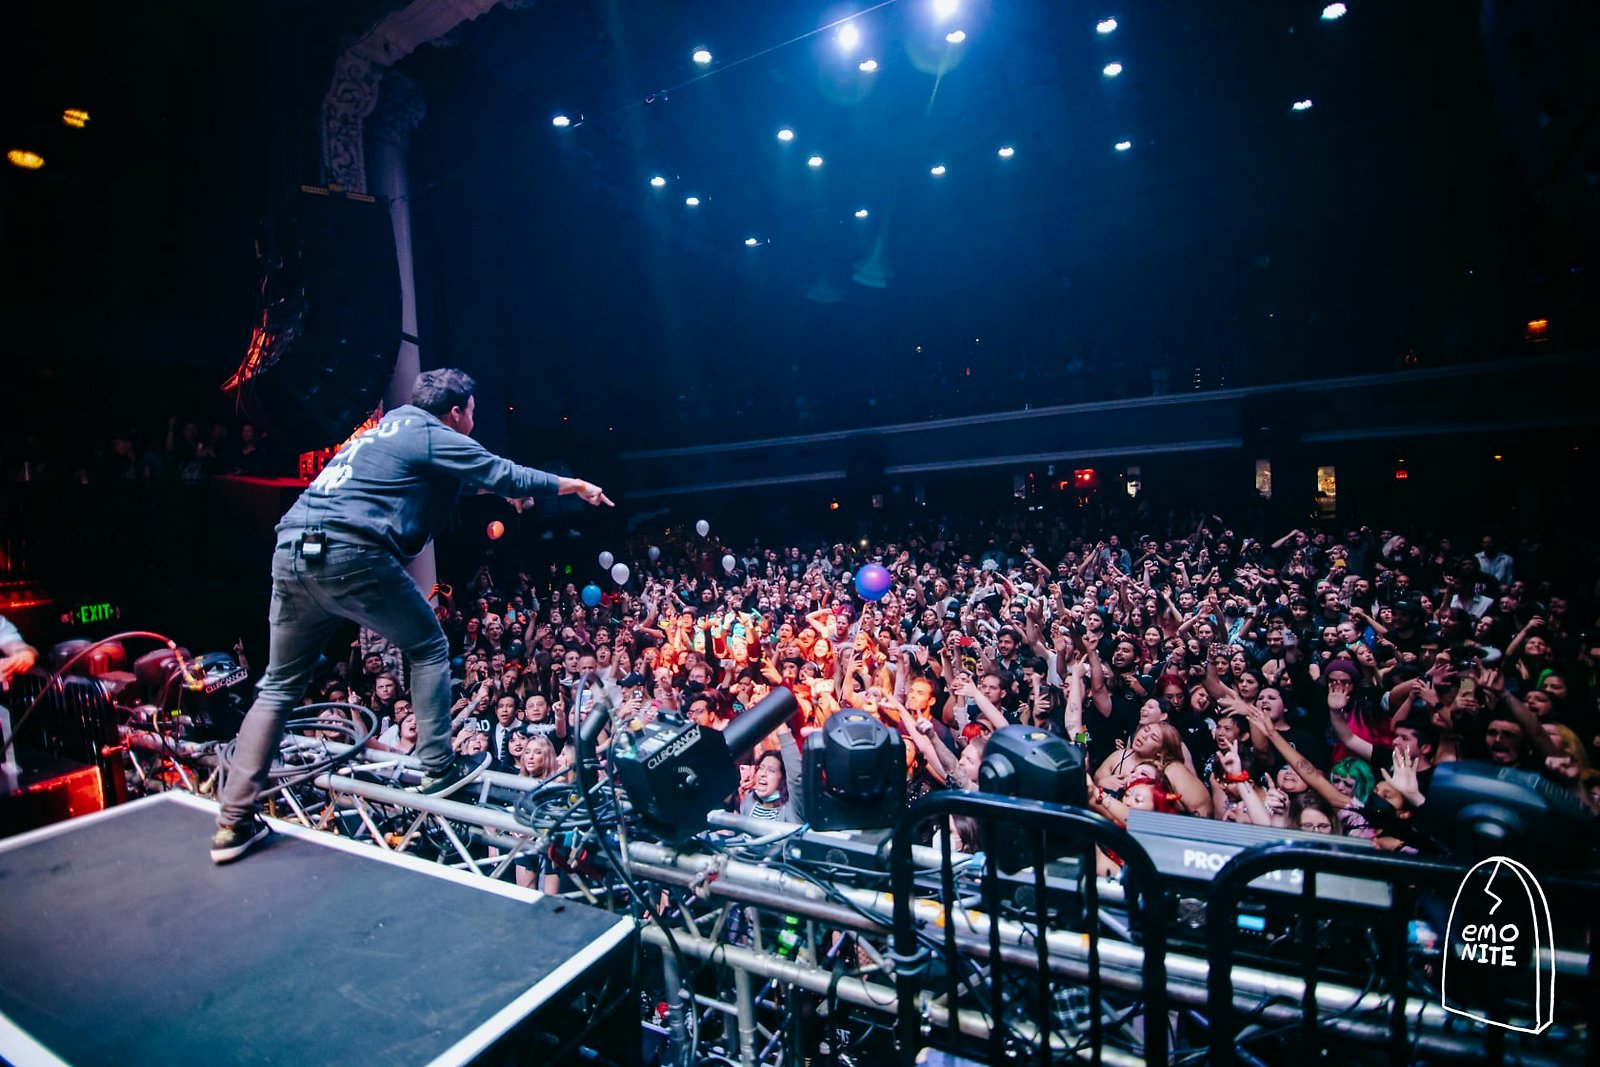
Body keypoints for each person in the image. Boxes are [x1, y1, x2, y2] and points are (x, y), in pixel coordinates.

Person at [211, 368, 613, 863]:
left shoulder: (385, 430)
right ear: (456, 412)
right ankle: (438, 768)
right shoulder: (433, 433)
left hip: (293, 549)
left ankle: (232, 823)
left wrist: (494, 491)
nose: (473, 421)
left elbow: (441, 480)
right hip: (351, 553)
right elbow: (507, 473)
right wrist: (576, 485)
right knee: (428, 647)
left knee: (277, 687)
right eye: (472, 412)